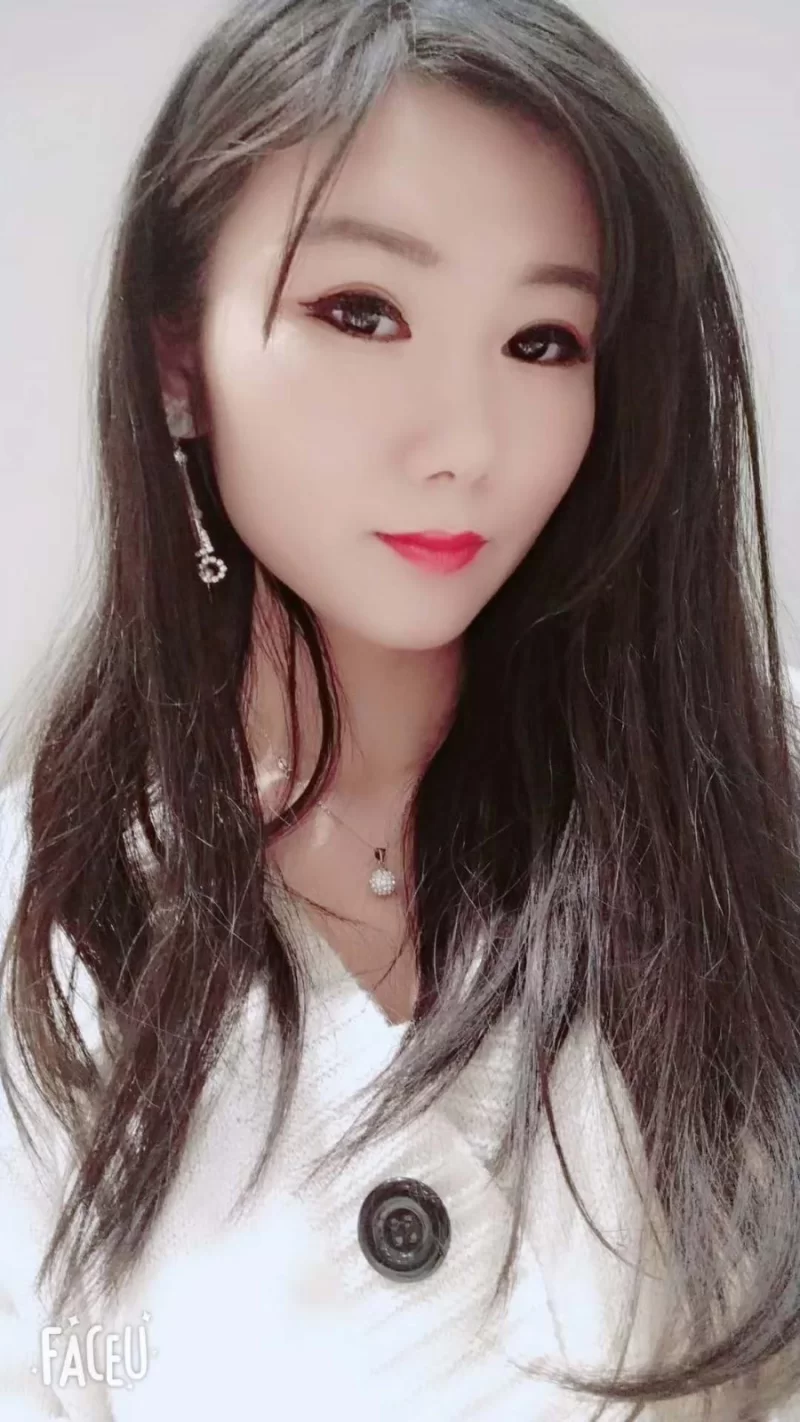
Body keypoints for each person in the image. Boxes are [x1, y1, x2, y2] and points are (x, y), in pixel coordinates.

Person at [1, 0, 800, 1417]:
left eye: (543, 340)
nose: (464, 443)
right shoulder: (42, 922)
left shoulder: (749, 819)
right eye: (360, 313)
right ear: (180, 362)